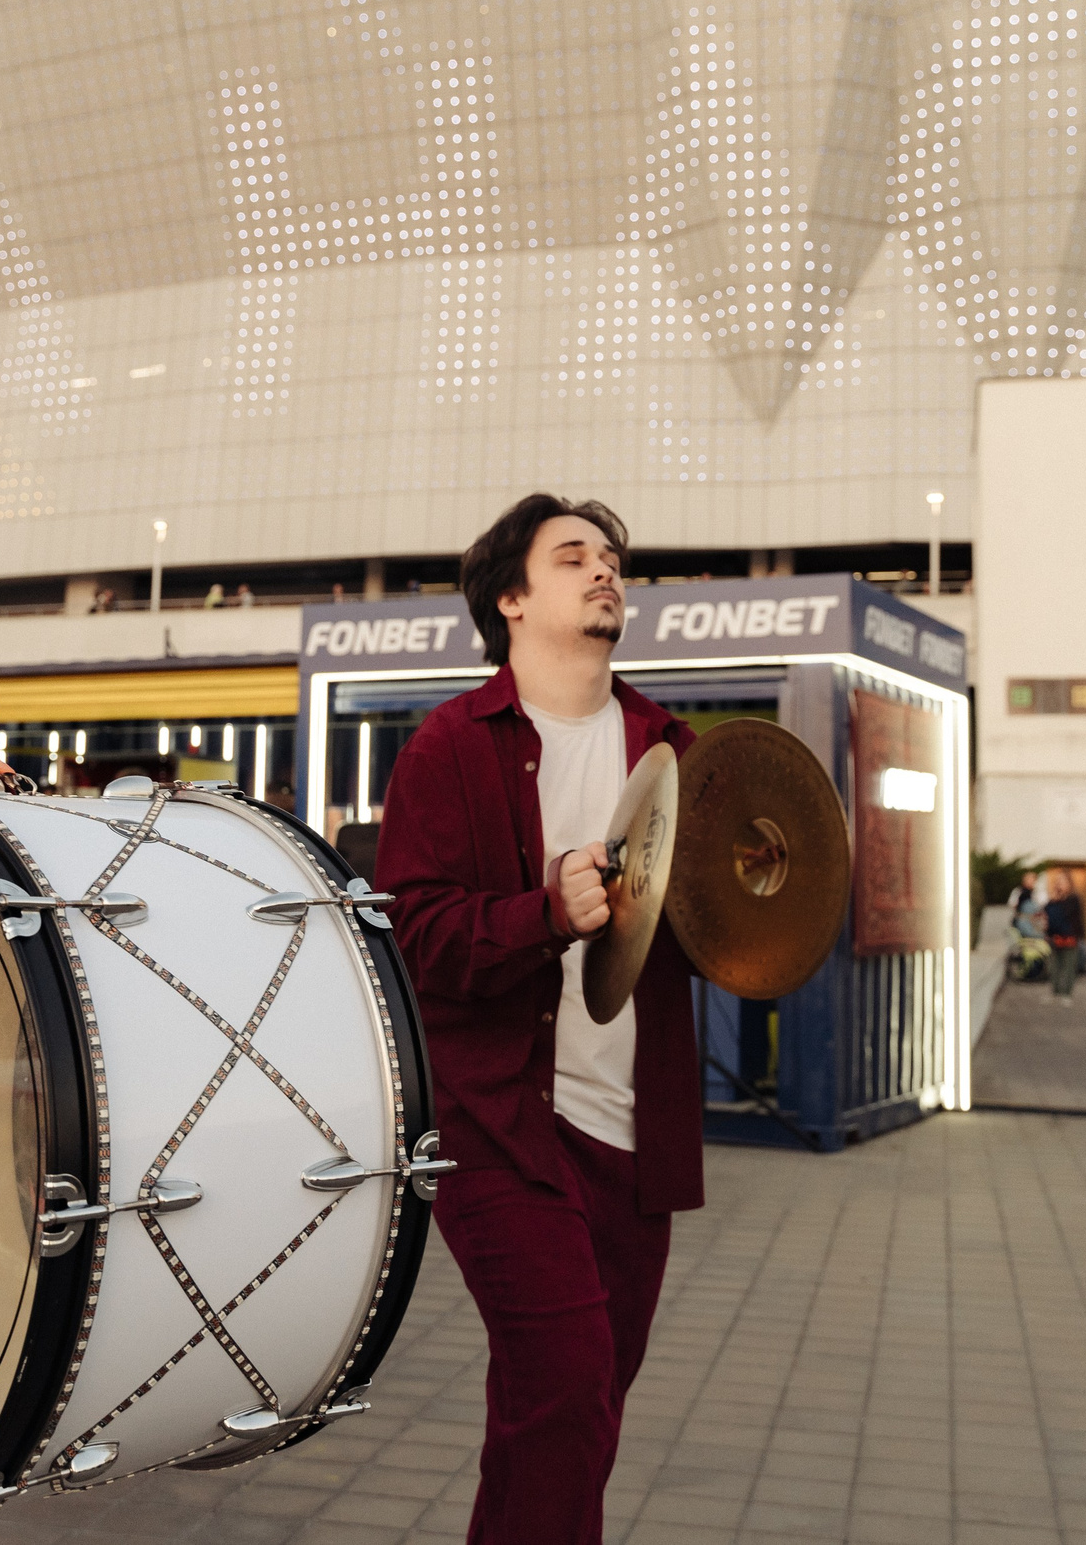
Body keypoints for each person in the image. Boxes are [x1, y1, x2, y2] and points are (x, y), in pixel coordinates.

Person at [376, 493, 701, 1545]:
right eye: (573, 558)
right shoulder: (451, 747)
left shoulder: (670, 748)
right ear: (511, 599)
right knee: (564, 1387)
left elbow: (708, 930)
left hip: (632, 1133)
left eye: (611, 558)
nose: (604, 571)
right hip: (503, 1123)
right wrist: (544, 915)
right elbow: (417, 936)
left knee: (578, 1407)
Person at [1042, 870, 1085, 1005]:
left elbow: (1066, 915)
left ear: (1069, 883)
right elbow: (1048, 914)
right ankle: (1055, 992)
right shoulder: (1053, 900)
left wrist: (1058, 901)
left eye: (1062, 881)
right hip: (1055, 937)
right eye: (1058, 881)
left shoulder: (1073, 899)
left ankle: (1066, 994)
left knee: (1068, 966)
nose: (1059, 884)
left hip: (1069, 937)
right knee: (1054, 966)